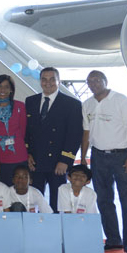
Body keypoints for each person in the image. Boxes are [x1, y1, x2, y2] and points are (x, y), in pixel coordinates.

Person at [80, 70, 127, 253]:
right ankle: (113, 238)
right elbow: (86, 132)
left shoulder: (121, 100)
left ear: (105, 81)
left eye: (97, 80)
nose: (93, 84)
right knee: (104, 199)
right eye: (90, 81)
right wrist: (82, 157)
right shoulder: (87, 104)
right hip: (98, 157)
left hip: (121, 156)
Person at [24, 67, 82, 212]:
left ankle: (56, 231)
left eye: (52, 79)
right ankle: (36, 230)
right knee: (34, 201)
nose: (47, 83)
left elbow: (74, 136)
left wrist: (65, 160)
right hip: (35, 162)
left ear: (59, 81)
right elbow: (27, 131)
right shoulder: (31, 101)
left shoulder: (72, 104)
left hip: (58, 163)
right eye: (44, 79)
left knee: (58, 202)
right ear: (40, 81)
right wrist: (28, 154)